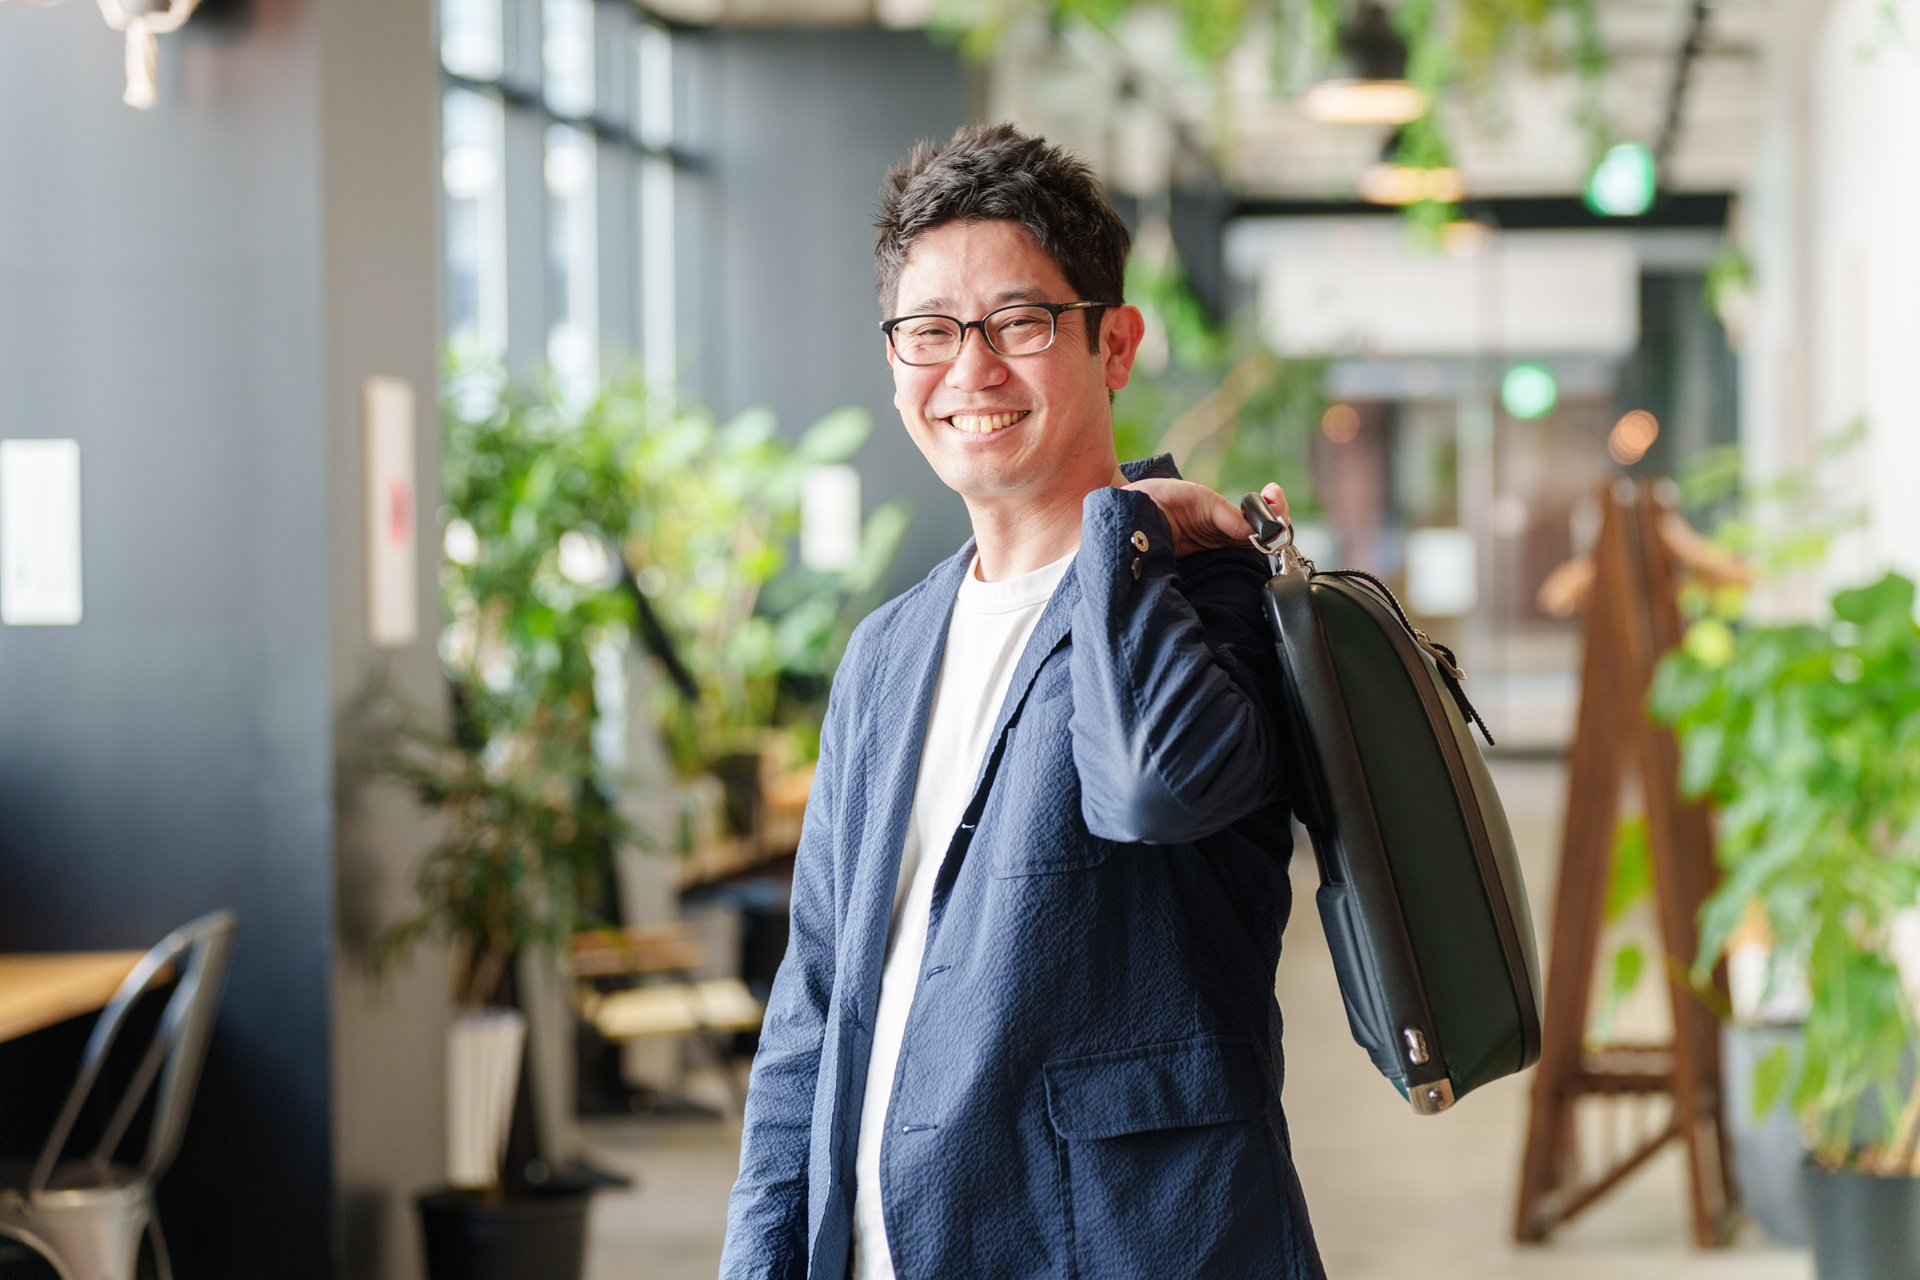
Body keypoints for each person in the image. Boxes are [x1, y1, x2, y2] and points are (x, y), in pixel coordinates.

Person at [719, 122, 1323, 1280]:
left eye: (1021, 321)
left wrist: (1126, 525)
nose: (972, 369)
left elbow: (1157, 785)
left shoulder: (1211, 597)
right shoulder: (886, 653)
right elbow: (812, 1007)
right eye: (930, 331)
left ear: (1115, 344)